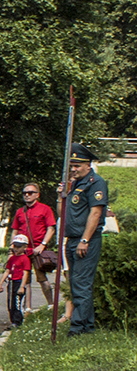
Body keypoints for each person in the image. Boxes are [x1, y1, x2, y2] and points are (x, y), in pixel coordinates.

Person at [61, 142, 108, 336]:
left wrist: (85, 240)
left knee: (81, 283)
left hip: (85, 240)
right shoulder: (76, 185)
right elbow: (62, 214)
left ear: (88, 166)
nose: (73, 169)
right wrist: (60, 196)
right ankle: (87, 326)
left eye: (77, 166)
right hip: (71, 240)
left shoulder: (95, 183)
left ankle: (77, 328)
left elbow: (95, 214)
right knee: (75, 283)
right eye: (71, 166)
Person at [11, 181, 57, 307]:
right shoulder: (20, 211)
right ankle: (27, 308)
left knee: (43, 279)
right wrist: (12, 247)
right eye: (24, 193)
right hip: (22, 251)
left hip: (38, 250)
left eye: (30, 193)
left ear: (37, 195)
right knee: (25, 281)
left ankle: (51, 305)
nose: (27, 195)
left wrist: (42, 244)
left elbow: (51, 228)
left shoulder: (45, 209)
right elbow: (15, 230)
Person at [0, 234, 32, 327]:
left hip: (19, 282)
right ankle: (12, 320)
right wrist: (0, 283)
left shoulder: (25, 259)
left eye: (19, 246)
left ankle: (18, 321)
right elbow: (7, 270)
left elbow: (25, 273)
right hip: (11, 282)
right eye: (15, 246)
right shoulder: (12, 258)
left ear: (25, 247)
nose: (16, 248)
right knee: (10, 302)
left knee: (17, 303)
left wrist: (22, 287)